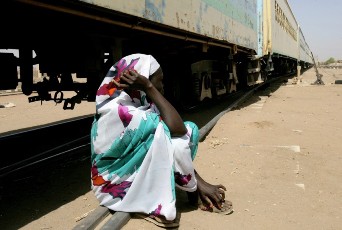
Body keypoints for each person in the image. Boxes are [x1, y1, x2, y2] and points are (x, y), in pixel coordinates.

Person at [90, 53, 233, 228]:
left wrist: (197, 182)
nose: (162, 86)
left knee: (184, 133)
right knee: (173, 136)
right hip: (114, 186)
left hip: (128, 173)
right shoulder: (120, 111)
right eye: (160, 81)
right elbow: (176, 128)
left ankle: (191, 188)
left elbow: (177, 130)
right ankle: (155, 201)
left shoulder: (137, 104)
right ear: (140, 82)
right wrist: (150, 87)